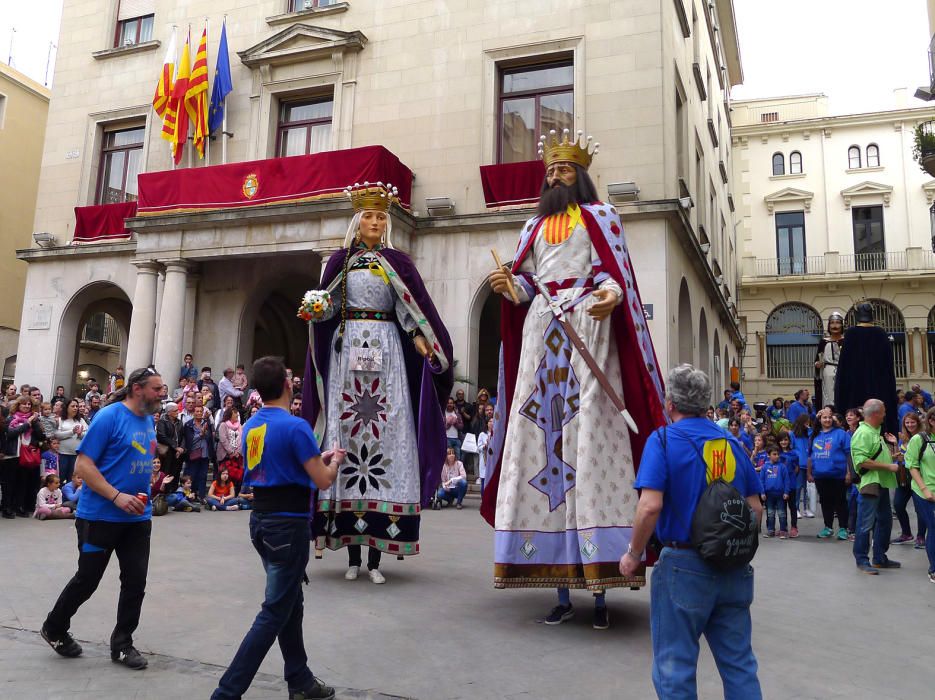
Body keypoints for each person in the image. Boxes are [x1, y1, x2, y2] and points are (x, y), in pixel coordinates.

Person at [483, 130, 666, 627]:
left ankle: (602, 586)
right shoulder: (533, 227)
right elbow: (526, 280)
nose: (556, 177)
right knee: (543, 441)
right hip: (544, 328)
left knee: (591, 443)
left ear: (581, 176)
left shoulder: (602, 217)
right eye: (551, 171)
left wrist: (609, 295)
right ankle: (559, 587)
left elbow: (612, 274)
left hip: (587, 326)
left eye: (565, 171)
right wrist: (512, 286)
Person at [303, 181, 453, 585]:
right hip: (348, 353)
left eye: (379, 217)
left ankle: (374, 560)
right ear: (357, 221)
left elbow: (411, 311)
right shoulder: (340, 261)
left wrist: (424, 342)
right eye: (368, 216)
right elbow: (328, 304)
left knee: (386, 440)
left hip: (386, 353)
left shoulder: (397, 263)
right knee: (348, 444)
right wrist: (316, 308)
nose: (374, 222)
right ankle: (351, 555)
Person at [620, 364, 762, 699]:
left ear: (670, 403)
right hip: (733, 567)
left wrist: (634, 553)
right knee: (739, 663)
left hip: (684, 564)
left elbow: (650, 506)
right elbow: (755, 509)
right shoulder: (732, 442)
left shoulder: (664, 440)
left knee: (675, 666)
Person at [211, 356, 342, 700]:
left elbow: (269, 463)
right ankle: (226, 693)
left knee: (289, 602)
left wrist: (314, 457)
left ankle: (300, 679)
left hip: (262, 520)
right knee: (274, 611)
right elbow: (323, 481)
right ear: (288, 385)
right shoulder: (296, 426)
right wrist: (335, 463)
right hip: (288, 524)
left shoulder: (253, 424)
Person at [41, 367, 162, 669]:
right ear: (137, 388)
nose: (162, 393)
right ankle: (54, 627)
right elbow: (82, 465)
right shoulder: (108, 417)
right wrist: (116, 495)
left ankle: (122, 644)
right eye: (157, 388)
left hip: (137, 519)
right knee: (87, 580)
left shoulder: (148, 420)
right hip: (99, 518)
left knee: (135, 582)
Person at [851, 399, 901, 574]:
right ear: (875, 414)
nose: (885, 414)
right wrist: (888, 466)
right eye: (883, 411)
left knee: (884, 521)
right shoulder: (863, 433)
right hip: (871, 484)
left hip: (881, 482)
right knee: (866, 523)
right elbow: (862, 461)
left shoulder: (874, 432)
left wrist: (892, 457)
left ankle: (879, 557)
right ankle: (862, 559)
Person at [835, 303, 899, 435]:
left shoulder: (851, 334)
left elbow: (843, 368)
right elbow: (888, 368)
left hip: (854, 388)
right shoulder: (881, 334)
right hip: (879, 388)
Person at [807, 408, 851, 540]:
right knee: (826, 502)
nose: (827, 420)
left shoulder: (841, 434)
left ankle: (843, 528)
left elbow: (849, 454)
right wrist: (809, 473)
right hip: (820, 475)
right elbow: (810, 456)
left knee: (840, 502)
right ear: (819, 420)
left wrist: (849, 473)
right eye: (824, 417)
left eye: (829, 417)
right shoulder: (814, 436)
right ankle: (828, 527)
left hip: (838, 474)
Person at [906, 407, 935, 583]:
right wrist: (925, 489)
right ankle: (933, 568)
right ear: (931, 420)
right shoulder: (919, 439)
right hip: (925, 491)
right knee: (933, 527)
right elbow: (912, 466)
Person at [892, 411, 923, 545]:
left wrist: (904, 457)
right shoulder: (902, 437)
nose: (910, 425)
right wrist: (895, 451)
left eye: (912, 422)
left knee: (920, 508)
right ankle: (906, 533)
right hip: (903, 476)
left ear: (918, 423)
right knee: (898, 505)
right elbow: (899, 455)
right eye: (907, 422)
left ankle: (921, 536)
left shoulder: (923, 437)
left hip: (919, 476)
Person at [182, 404, 216, 501]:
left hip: (204, 454)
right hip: (193, 454)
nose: (199, 413)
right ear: (193, 413)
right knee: (192, 476)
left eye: (201, 411)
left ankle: (201, 496)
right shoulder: (188, 424)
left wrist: (205, 434)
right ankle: (191, 495)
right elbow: (189, 439)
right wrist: (200, 435)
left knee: (203, 475)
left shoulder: (207, 423)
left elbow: (210, 438)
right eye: (197, 411)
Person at [814, 311, 844, 410]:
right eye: (832, 323)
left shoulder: (846, 341)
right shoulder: (824, 342)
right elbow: (817, 359)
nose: (835, 326)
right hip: (827, 372)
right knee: (828, 395)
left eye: (837, 322)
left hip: (843, 371)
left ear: (842, 325)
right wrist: (817, 364)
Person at [760, 447, 792, 538]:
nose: (777, 456)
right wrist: (762, 492)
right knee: (770, 513)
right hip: (769, 495)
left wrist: (786, 492)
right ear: (768, 455)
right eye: (774, 454)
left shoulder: (782, 467)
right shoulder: (764, 467)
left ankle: (783, 530)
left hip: (780, 494)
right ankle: (770, 530)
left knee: (782, 513)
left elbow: (786, 481)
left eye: (778, 454)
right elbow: (761, 481)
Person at [776, 432, 800, 537]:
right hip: (780, 485)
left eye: (785, 440)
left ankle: (794, 527)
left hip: (791, 484)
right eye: (781, 440)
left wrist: (789, 478)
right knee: (782, 507)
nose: (783, 442)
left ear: (789, 441)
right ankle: (783, 528)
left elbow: (797, 468)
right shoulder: (776, 453)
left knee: (792, 507)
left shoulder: (794, 454)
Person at [155, 402, 184, 481]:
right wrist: (175, 447)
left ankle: (173, 491)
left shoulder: (179, 422)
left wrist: (181, 448)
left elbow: (183, 436)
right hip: (167, 452)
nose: (178, 412)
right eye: (175, 411)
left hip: (178, 453)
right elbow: (161, 436)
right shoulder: (162, 421)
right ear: (169, 412)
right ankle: (164, 492)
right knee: (166, 473)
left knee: (175, 473)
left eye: (177, 410)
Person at [217, 406, 244, 487]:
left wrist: (238, 452)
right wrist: (231, 452)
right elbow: (223, 440)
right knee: (226, 477)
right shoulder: (223, 425)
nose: (237, 415)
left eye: (237, 413)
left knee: (238, 477)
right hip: (226, 456)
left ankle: (236, 495)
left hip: (237, 456)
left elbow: (242, 439)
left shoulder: (240, 426)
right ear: (230, 415)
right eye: (235, 413)